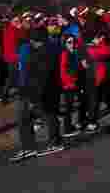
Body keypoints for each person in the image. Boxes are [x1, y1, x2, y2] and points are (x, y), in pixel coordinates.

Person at [10, 27, 65, 163]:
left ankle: (53, 143)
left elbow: (42, 76)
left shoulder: (45, 52)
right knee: (29, 117)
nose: (31, 42)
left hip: (39, 90)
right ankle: (31, 147)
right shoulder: (43, 49)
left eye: (32, 40)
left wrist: (34, 97)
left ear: (36, 40)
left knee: (46, 115)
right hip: (33, 89)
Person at [84, 32, 110, 131]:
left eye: (97, 38)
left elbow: (94, 53)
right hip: (94, 75)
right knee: (94, 98)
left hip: (98, 77)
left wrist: (92, 46)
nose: (95, 40)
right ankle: (92, 118)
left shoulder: (104, 47)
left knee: (94, 99)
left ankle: (92, 121)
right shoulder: (98, 47)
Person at [59, 34, 87, 137]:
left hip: (75, 82)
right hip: (68, 84)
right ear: (65, 43)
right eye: (69, 42)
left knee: (75, 104)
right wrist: (70, 80)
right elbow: (64, 70)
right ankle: (67, 129)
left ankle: (72, 125)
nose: (72, 44)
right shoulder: (65, 54)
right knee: (68, 107)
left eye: (74, 42)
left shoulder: (75, 52)